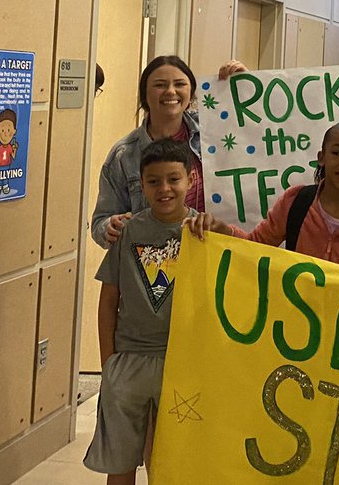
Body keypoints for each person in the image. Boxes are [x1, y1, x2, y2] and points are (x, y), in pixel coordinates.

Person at [84, 139, 205, 482]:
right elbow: (108, 301)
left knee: (168, 463)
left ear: (190, 180)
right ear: (141, 183)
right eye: (153, 181)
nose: (164, 189)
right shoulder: (128, 232)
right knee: (120, 464)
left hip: (181, 363)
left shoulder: (204, 233)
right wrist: (109, 363)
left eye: (173, 179)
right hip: (129, 361)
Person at [91, 55, 244, 249]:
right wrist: (110, 227)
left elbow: (256, 133)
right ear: (145, 95)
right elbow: (99, 224)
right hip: (154, 266)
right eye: (160, 85)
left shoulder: (213, 130)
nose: (171, 91)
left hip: (213, 256)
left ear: (191, 92)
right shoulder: (124, 155)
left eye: (180, 84)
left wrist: (246, 86)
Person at [209, 120, 339, 272]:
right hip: (297, 316)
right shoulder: (296, 202)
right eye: (337, 153)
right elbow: (256, 244)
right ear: (321, 157)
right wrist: (223, 230)